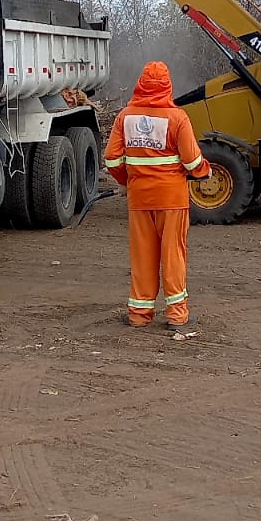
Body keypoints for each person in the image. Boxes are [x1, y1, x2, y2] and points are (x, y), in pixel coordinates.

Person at [102, 61, 211, 329]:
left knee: (142, 257)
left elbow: (112, 160)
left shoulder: (125, 117)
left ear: (140, 84)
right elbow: (193, 161)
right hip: (172, 201)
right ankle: (176, 315)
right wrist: (205, 173)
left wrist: (130, 181)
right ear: (167, 86)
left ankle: (139, 316)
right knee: (173, 256)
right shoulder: (177, 118)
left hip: (139, 200)